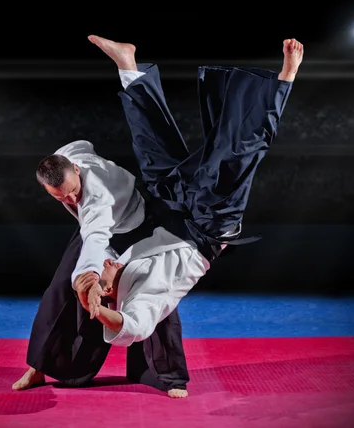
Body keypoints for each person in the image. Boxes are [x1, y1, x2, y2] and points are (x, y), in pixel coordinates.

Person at [83, 35, 303, 347]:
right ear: (110, 294)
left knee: (152, 153)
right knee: (238, 154)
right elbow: (134, 327)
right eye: (105, 281)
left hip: (177, 211)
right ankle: (285, 79)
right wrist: (99, 310)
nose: (107, 267)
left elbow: (100, 252)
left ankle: (127, 65)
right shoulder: (142, 298)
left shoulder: (121, 263)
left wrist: (94, 278)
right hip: (212, 226)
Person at [12, 140, 191, 398]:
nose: (71, 199)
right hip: (94, 230)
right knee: (60, 290)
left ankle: (170, 377)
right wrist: (79, 282)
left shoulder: (98, 196)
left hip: (136, 230)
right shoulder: (66, 157)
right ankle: (40, 367)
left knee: (154, 291)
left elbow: (97, 238)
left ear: (76, 169)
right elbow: (84, 144)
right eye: (61, 196)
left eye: (74, 192)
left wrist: (90, 276)